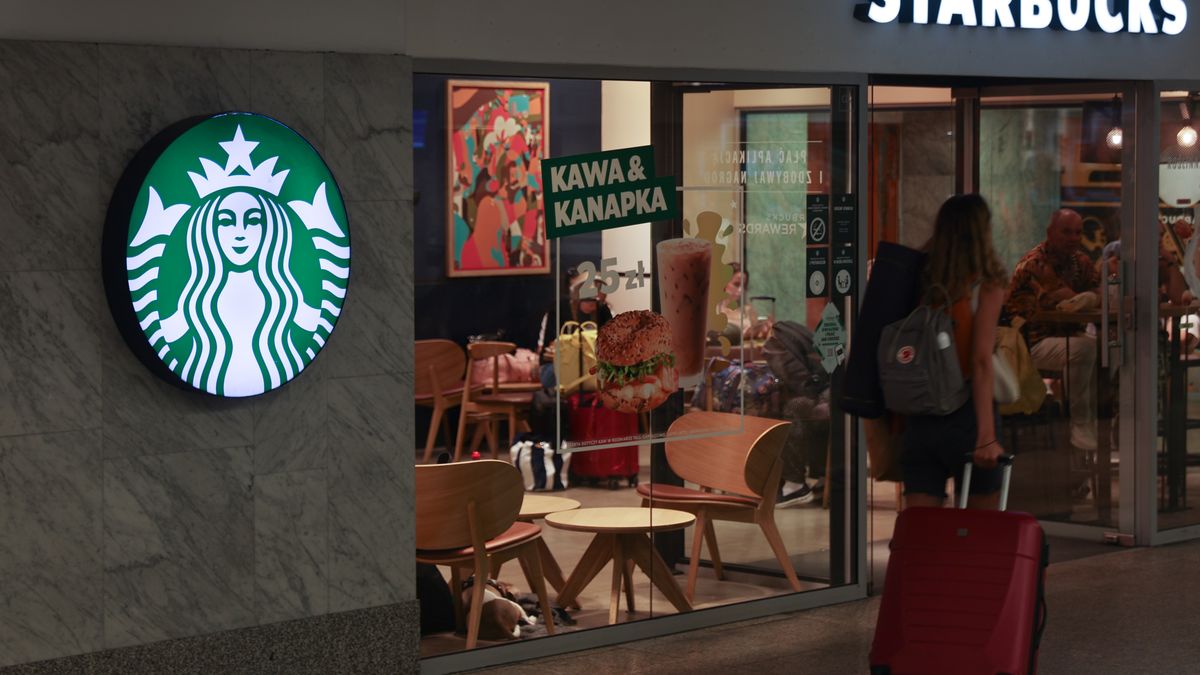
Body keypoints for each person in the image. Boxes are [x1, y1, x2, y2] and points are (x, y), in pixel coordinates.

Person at [903, 194, 1008, 509]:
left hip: (919, 415)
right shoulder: (985, 282)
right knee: (978, 533)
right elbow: (980, 361)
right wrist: (987, 436)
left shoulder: (917, 276)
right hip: (967, 414)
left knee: (920, 531)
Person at [1005, 208, 1100, 453]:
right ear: (1050, 232)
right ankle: (1079, 422)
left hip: (1065, 337)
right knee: (1085, 349)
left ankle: (1105, 421)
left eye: (1078, 233)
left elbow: (1099, 292)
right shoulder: (1036, 263)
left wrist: (1091, 297)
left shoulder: (1080, 262)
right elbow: (1067, 297)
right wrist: (1088, 298)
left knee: (1107, 350)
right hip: (1028, 344)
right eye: (1066, 232)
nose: (1073, 238)